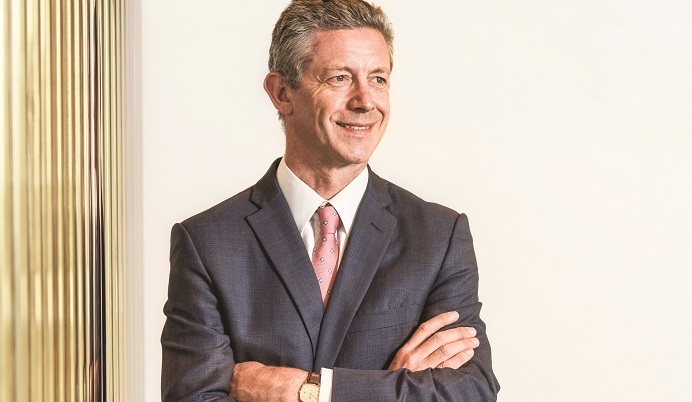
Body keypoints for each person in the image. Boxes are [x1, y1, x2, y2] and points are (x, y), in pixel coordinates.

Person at [161, 0, 500, 400]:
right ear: (282, 93)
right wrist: (394, 388)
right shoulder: (207, 242)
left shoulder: (438, 236)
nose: (366, 101)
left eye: (378, 79)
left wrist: (309, 392)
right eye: (340, 78)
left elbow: (470, 392)